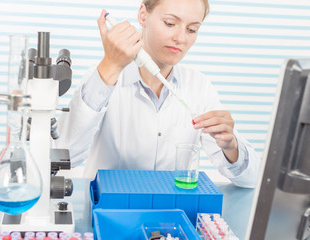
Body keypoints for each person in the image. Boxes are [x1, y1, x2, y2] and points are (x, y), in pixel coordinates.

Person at [54, 0, 261, 188]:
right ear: (143, 15)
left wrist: (230, 146)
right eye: (170, 23)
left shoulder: (198, 86)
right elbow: (64, 155)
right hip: (108, 213)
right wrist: (110, 66)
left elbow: (251, 180)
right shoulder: (105, 77)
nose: (180, 38)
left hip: (169, 220)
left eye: (192, 29)